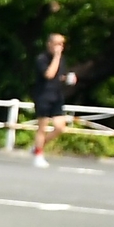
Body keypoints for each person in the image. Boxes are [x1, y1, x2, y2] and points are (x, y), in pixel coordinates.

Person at [31, 32, 75, 167]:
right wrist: (56, 57)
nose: (60, 47)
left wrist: (68, 78)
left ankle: (37, 147)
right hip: (43, 96)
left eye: (62, 44)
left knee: (60, 127)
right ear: (49, 44)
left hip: (57, 96)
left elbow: (59, 75)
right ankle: (38, 155)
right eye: (57, 44)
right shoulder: (42, 59)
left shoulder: (62, 59)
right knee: (42, 128)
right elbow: (49, 74)